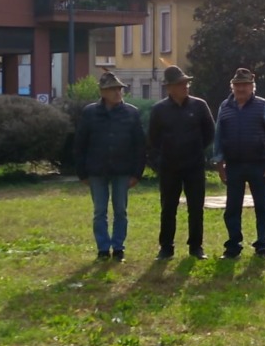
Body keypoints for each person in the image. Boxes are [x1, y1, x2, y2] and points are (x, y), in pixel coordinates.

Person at [75, 71, 146, 262]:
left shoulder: (131, 112)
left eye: (119, 89)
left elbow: (140, 145)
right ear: (102, 92)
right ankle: (103, 248)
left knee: (120, 210)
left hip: (122, 169)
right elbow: (80, 143)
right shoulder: (90, 113)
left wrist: (137, 173)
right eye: (112, 89)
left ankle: (118, 247)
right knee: (100, 211)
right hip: (97, 169)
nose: (117, 92)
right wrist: (82, 173)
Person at [213, 68, 265, 258]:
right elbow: (219, 136)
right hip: (234, 165)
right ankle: (233, 245)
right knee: (232, 208)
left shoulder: (264, 106)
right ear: (232, 87)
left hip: (259, 165)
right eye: (237, 85)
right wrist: (219, 165)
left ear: (252, 87)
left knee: (262, 207)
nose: (241, 88)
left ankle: (262, 244)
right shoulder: (225, 107)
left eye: (245, 85)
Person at [147, 65, 215, 260]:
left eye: (186, 83)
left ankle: (196, 246)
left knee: (196, 208)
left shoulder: (199, 105)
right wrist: (163, 157)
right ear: (169, 88)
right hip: (169, 167)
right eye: (180, 84)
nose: (185, 86)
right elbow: (153, 139)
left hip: (194, 166)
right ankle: (166, 247)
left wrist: (196, 149)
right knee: (168, 208)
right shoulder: (159, 109)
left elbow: (210, 133)